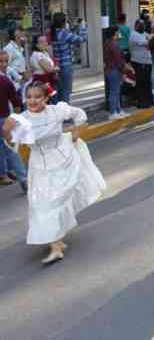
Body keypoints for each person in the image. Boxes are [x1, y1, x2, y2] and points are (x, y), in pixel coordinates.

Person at [3, 82, 106, 264]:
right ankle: (56, 244)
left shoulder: (57, 111)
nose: (32, 101)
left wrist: (75, 134)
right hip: (39, 165)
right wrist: (6, 131)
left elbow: (80, 116)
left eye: (37, 97)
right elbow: (13, 146)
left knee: (58, 201)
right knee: (43, 204)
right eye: (29, 97)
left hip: (62, 158)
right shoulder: (22, 119)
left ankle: (56, 242)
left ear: (45, 98)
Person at [0, 56, 25, 193]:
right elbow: (16, 102)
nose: (3, 64)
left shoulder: (6, 80)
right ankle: (23, 178)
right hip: (4, 118)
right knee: (11, 149)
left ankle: (3, 174)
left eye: (5, 61)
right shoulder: (5, 81)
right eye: (1, 62)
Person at [49, 13, 85, 104]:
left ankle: (59, 115)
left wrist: (75, 26)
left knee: (59, 92)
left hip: (56, 67)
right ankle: (66, 116)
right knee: (66, 92)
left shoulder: (52, 33)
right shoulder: (64, 33)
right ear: (64, 23)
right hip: (66, 66)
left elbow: (69, 34)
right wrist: (83, 27)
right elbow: (82, 39)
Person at [103, 26, 132, 120]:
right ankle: (113, 112)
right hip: (114, 69)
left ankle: (118, 110)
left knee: (116, 91)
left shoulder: (109, 43)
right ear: (114, 33)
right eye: (118, 32)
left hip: (112, 69)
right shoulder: (113, 44)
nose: (119, 33)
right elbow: (118, 60)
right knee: (114, 91)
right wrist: (124, 69)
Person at [129, 21, 153, 108]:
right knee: (141, 82)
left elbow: (151, 40)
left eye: (143, 25)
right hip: (139, 62)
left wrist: (149, 39)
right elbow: (148, 43)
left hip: (147, 62)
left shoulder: (143, 33)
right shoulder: (134, 34)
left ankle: (149, 100)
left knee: (147, 83)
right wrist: (149, 39)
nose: (143, 27)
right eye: (141, 25)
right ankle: (141, 102)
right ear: (136, 26)